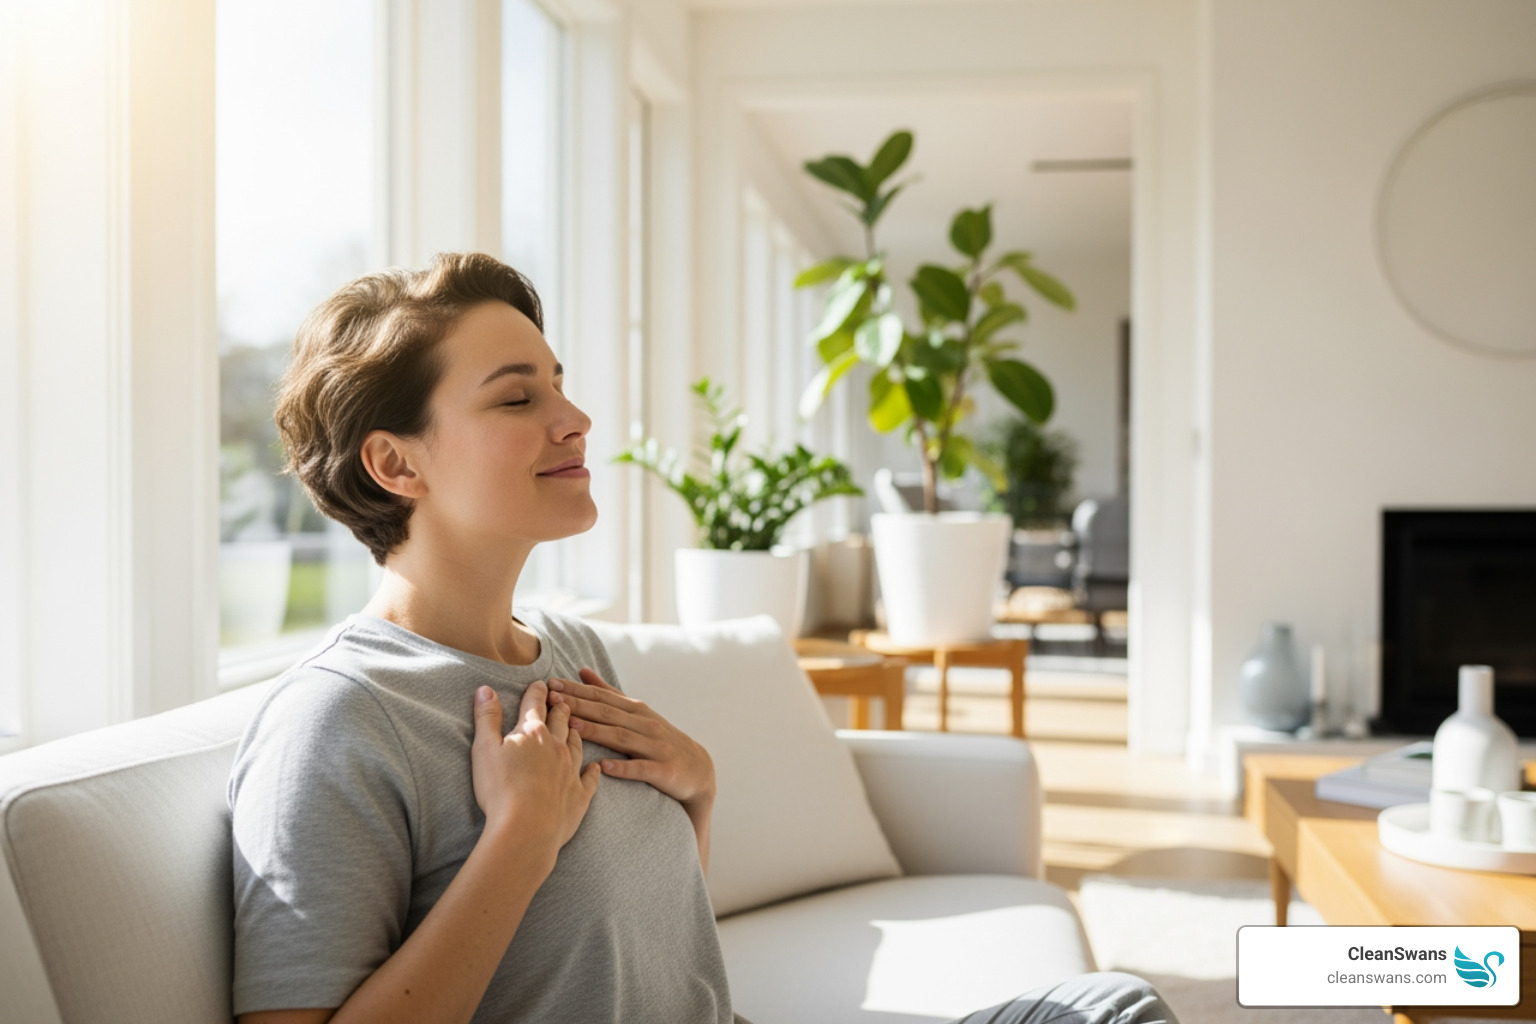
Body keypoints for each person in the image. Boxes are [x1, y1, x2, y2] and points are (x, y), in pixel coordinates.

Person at [228, 252, 1180, 1024]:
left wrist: (698, 797)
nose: (576, 419)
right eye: (518, 400)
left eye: (559, 385)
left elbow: (637, 954)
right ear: (396, 463)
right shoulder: (339, 721)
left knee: (1112, 1009)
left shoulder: (564, 653)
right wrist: (517, 843)